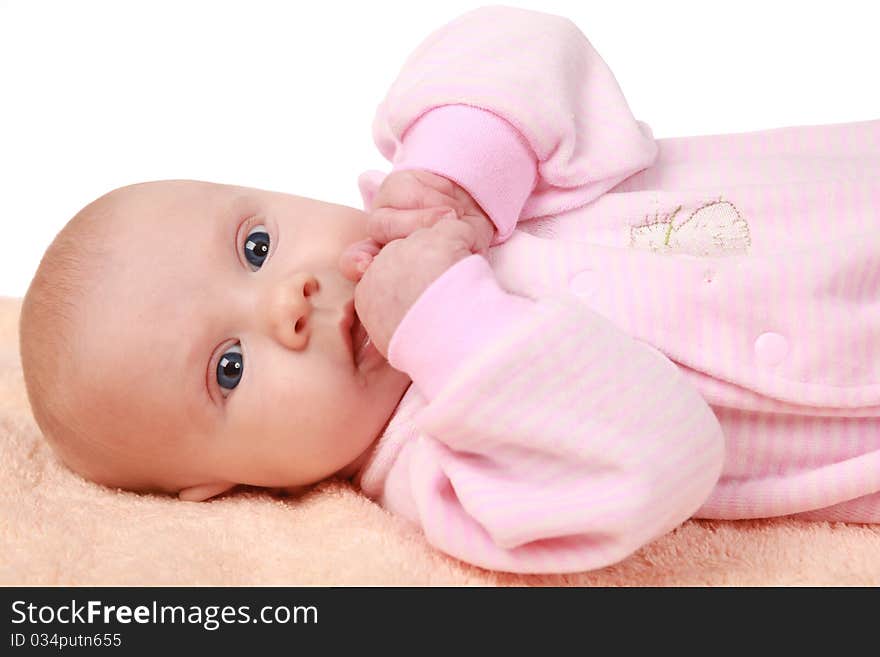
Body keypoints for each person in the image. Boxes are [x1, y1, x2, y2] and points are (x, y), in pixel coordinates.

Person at [18, 6, 880, 574]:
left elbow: (526, 43)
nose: (288, 300)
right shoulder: (449, 478)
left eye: (255, 245)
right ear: (227, 485)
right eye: (230, 368)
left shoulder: (448, 195)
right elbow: (665, 456)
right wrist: (447, 322)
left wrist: (454, 177)